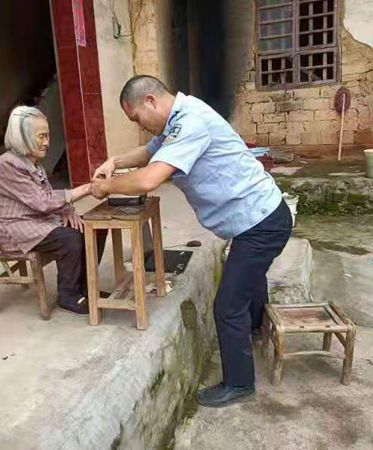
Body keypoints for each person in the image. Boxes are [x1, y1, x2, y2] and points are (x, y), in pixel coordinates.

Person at [91, 76, 292, 407]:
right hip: (257, 219)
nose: (140, 127)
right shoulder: (175, 122)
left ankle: (240, 383)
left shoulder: (189, 123)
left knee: (227, 306)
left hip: (261, 223)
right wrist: (115, 162)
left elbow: (150, 178)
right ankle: (256, 330)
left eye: (137, 118)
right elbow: (147, 153)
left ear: (151, 101)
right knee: (249, 279)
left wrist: (107, 186)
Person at [0, 106, 107, 315]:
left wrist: (67, 210)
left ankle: (87, 286)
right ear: (23, 137)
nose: (47, 142)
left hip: (36, 219)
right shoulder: (7, 165)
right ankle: (68, 295)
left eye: (47, 136)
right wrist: (88, 188)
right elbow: (42, 202)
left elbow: (47, 196)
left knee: (94, 228)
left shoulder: (32, 163)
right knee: (69, 238)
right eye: (41, 136)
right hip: (14, 228)